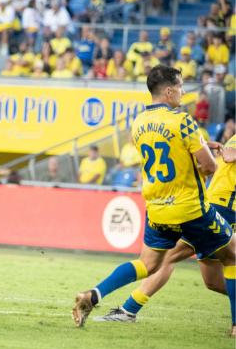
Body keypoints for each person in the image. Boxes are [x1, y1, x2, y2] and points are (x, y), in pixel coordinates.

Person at [72, 65, 235, 336]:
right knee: (232, 255)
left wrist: (201, 143)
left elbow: (167, 147)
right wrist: (203, 152)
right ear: (169, 91)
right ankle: (235, 326)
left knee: (148, 264)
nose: (183, 92)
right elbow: (209, 168)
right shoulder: (183, 120)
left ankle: (93, 295)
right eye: (181, 87)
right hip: (191, 209)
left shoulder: (137, 124)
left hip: (158, 210)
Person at [95, 135, 235, 324]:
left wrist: (227, 150)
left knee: (166, 256)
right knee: (212, 281)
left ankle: (128, 310)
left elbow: (229, 157)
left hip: (221, 208)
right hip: (214, 205)